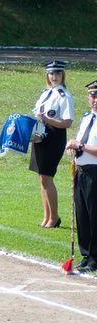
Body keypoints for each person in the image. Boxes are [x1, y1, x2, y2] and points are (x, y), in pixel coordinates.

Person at [30, 60, 74, 228]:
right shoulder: (45, 93)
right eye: (51, 73)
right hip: (40, 135)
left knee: (47, 177)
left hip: (54, 136)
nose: (54, 77)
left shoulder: (64, 95)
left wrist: (47, 119)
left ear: (62, 75)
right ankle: (47, 216)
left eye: (57, 73)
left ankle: (54, 217)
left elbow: (68, 122)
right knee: (42, 178)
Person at [65, 81, 97, 274]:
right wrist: (72, 148)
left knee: (94, 216)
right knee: (82, 215)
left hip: (95, 172)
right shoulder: (87, 118)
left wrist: (81, 146)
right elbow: (80, 141)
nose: (95, 100)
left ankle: (95, 257)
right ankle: (86, 254)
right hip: (82, 171)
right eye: (92, 96)